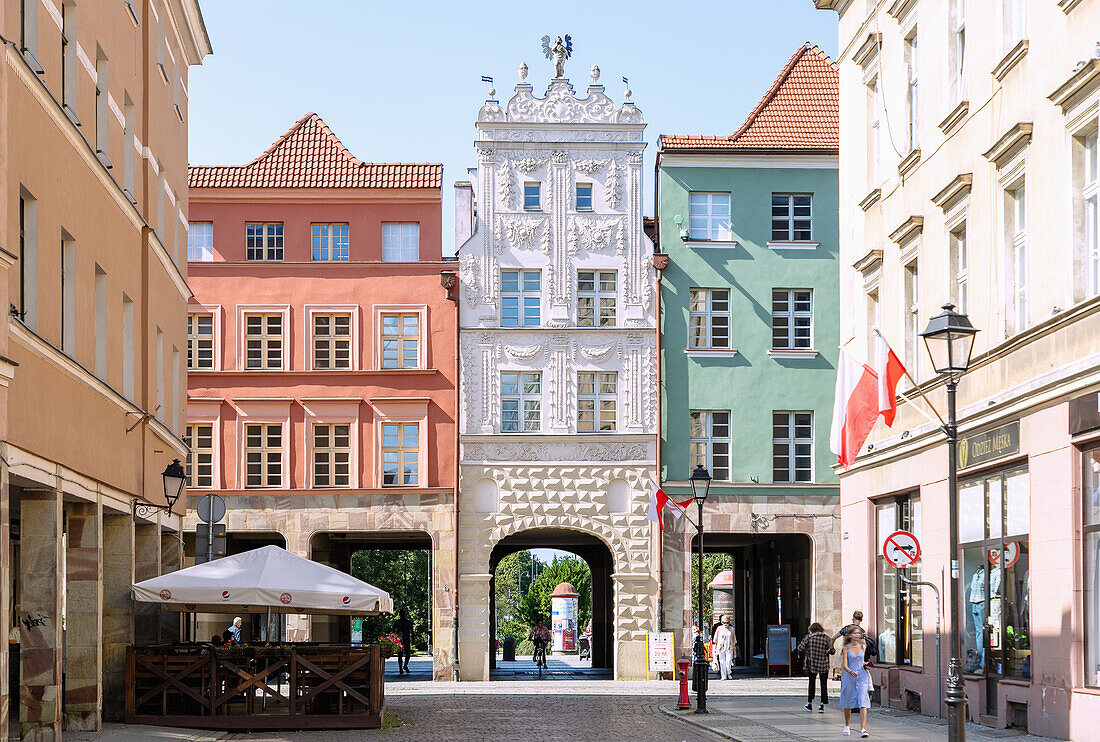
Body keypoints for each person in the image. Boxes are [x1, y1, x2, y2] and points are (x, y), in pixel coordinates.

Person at [838, 627, 872, 738]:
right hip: (850, 677)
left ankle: (863, 729)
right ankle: (847, 725)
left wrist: (866, 664)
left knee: (863, 701)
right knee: (849, 702)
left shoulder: (863, 646)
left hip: (862, 676)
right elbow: (844, 665)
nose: (857, 635)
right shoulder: (846, 648)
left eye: (859, 633)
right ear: (850, 635)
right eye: (855, 633)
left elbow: (861, 661)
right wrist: (850, 671)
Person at [797, 622, 833, 713]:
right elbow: (833, 651)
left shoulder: (808, 638)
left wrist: (808, 650)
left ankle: (809, 703)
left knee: (811, 683)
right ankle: (821, 705)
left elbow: (800, 648)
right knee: (823, 684)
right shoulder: (826, 638)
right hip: (823, 664)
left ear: (812, 630)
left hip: (812, 664)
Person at [712, 615, 735, 680]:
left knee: (729, 661)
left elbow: (733, 640)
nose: (725, 624)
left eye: (727, 622)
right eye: (724, 622)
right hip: (721, 648)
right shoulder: (719, 628)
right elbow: (715, 640)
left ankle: (728, 672)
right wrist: (715, 650)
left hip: (729, 647)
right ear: (722, 622)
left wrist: (734, 650)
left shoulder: (732, 629)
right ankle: (723, 676)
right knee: (722, 662)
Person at [394, 608, 414, 674]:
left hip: (403, 639)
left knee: (404, 654)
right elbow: (412, 632)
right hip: (401, 640)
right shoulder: (402, 622)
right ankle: (402, 667)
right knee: (402, 654)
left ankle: (403, 666)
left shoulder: (405, 622)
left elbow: (412, 631)